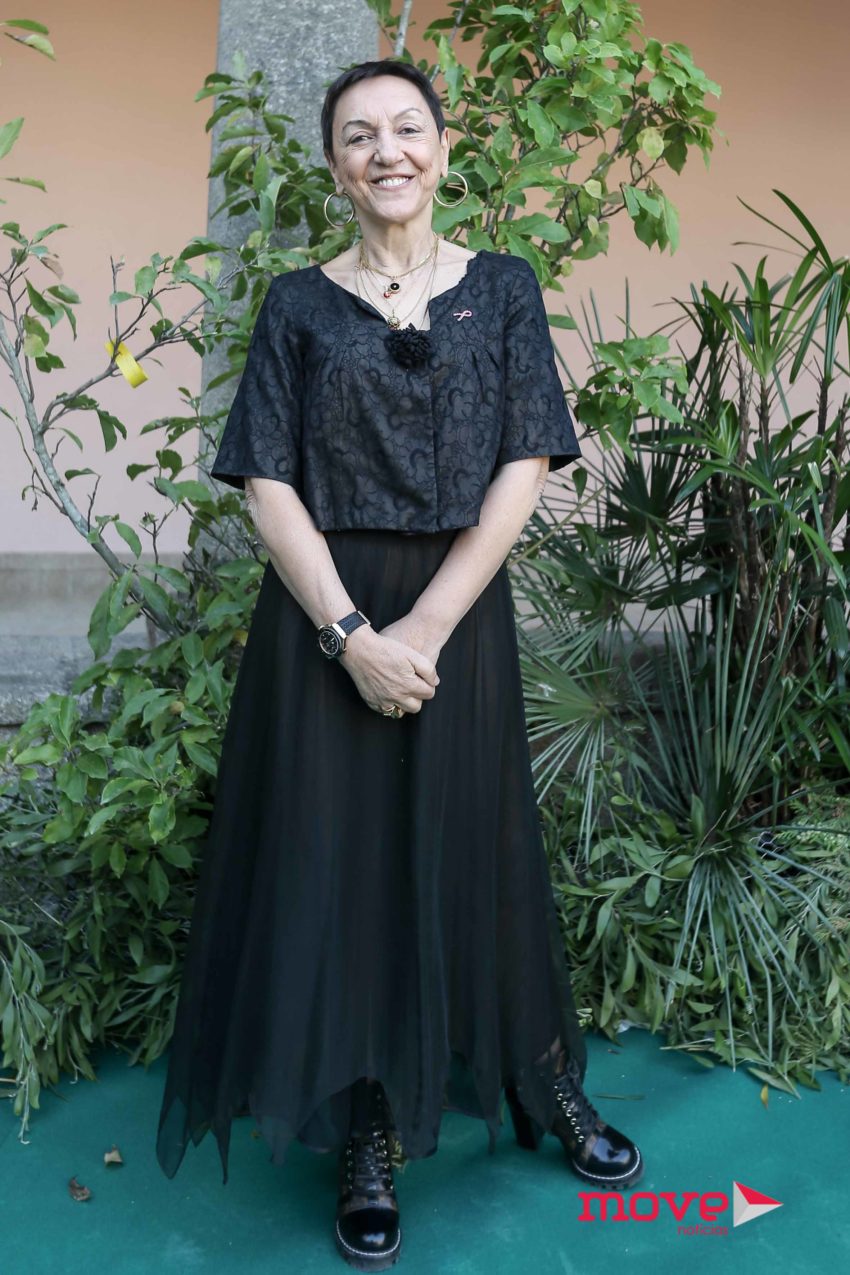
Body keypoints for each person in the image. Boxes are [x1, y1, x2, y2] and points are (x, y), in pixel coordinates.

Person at [155, 55, 643, 1272]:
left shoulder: (503, 289)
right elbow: (267, 482)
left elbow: (524, 462)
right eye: (360, 134)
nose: (388, 150)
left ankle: (541, 1076)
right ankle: (367, 1126)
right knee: (343, 865)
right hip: (322, 621)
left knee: (482, 846)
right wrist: (349, 637)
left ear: (442, 149)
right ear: (335, 164)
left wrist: (421, 630)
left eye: (407, 128)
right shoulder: (296, 305)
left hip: (455, 614)